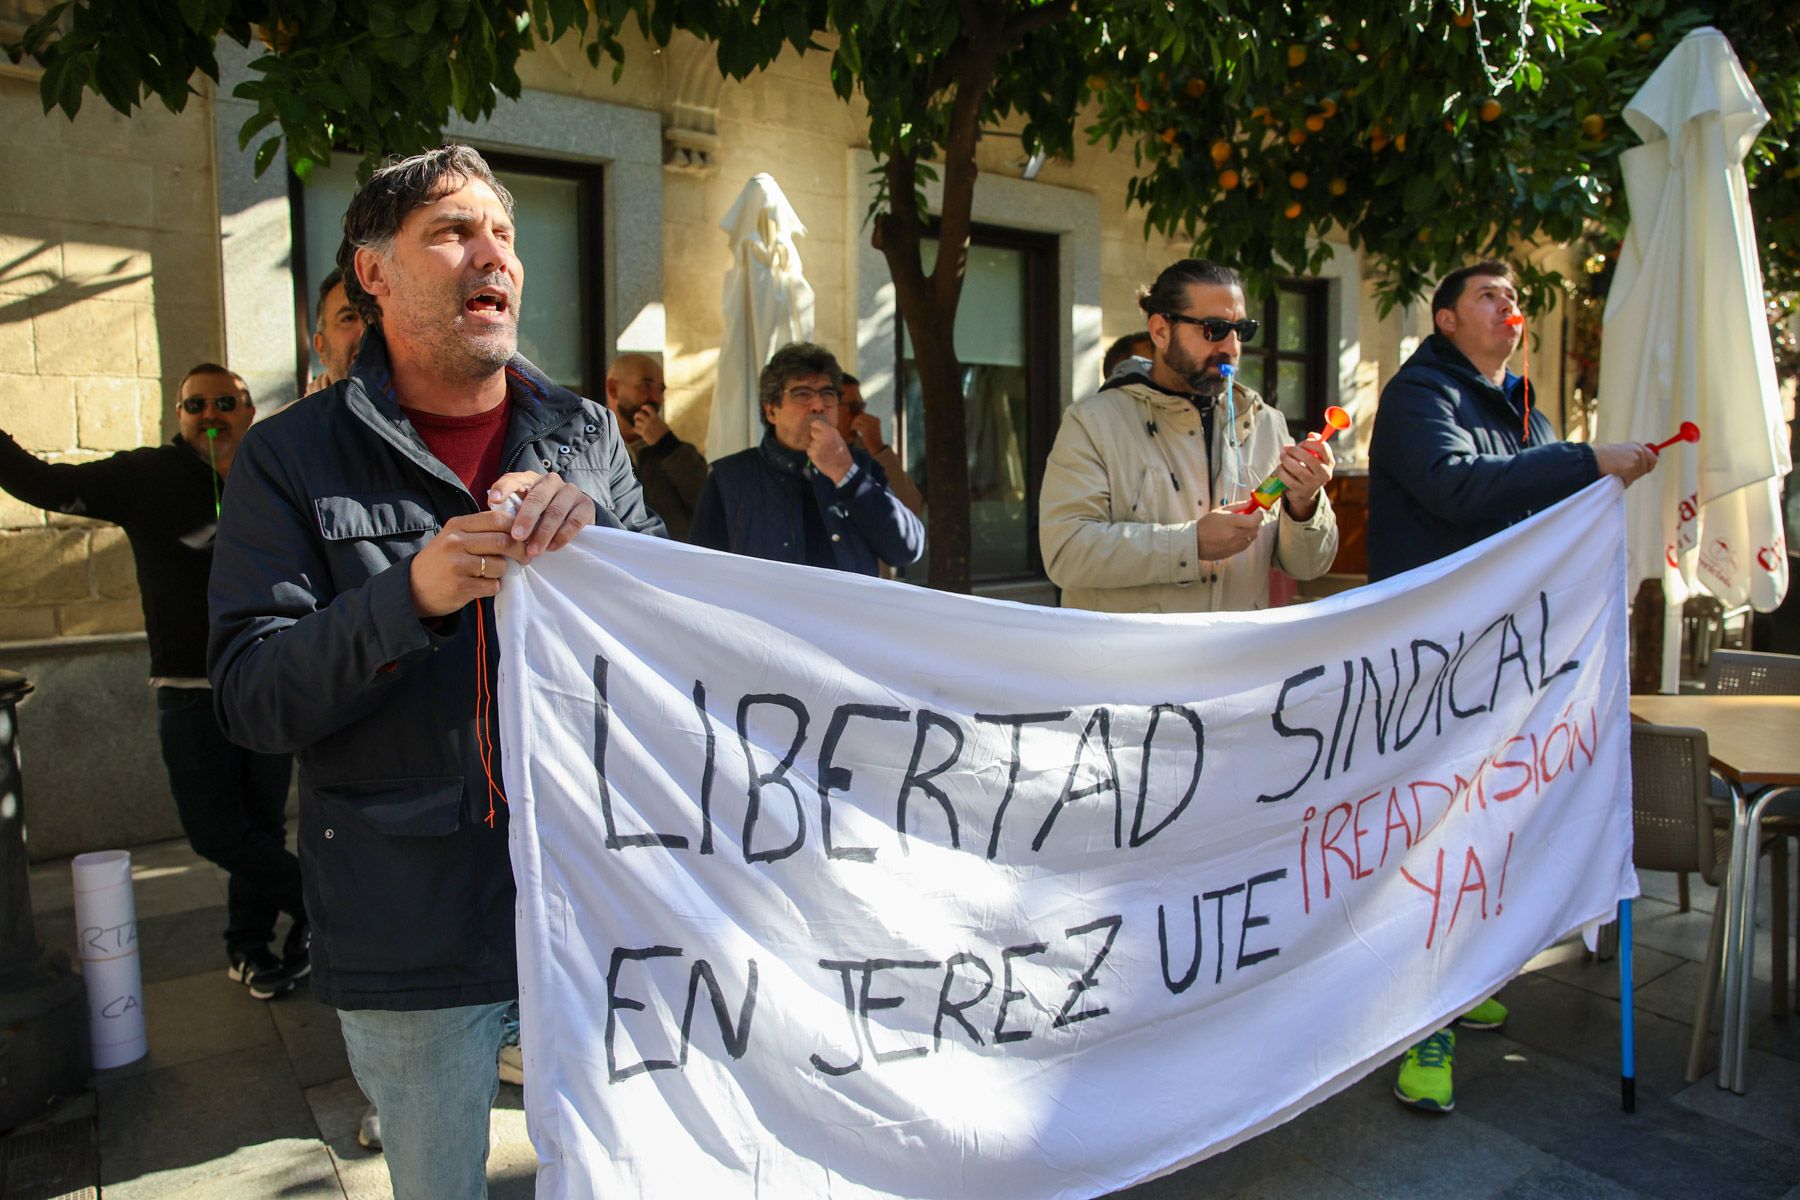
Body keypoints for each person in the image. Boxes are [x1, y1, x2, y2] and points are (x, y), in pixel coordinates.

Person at [208, 144, 664, 1199]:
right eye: (453, 232)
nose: (491, 253)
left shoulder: (586, 434)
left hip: (596, 900)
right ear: (373, 273)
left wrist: (604, 548)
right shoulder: (288, 457)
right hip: (407, 923)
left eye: (503, 233)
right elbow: (250, 694)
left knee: (627, 1171)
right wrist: (406, 596)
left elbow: (665, 635)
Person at [1367, 259, 1657, 1112]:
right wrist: (1584, 461)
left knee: (1487, 828)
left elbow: (1546, 505)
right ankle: (1422, 1026)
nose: (1511, 308)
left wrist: (1590, 478)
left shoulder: (1524, 402)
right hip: (1434, 661)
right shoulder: (1422, 395)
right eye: (1489, 297)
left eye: (1517, 298)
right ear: (1447, 319)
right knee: (1432, 844)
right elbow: (1457, 490)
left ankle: (1463, 979)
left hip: (1504, 661)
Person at [0, 365, 304, 1000]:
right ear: (178, 415)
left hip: (266, 681)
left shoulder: (272, 474)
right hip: (188, 690)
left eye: (226, 401)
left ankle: (251, 951)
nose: (211, 414)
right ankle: (324, 904)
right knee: (216, 833)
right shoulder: (146, 476)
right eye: (196, 404)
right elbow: (46, 484)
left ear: (248, 410)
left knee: (262, 826)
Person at [1040, 259, 1338, 614]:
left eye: (1241, 330)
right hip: (1135, 664)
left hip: (1235, 658)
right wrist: (1190, 545)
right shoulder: (1093, 422)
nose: (1231, 347)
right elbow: (1065, 553)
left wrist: (1304, 504)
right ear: (1160, 331)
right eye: (1213, 329)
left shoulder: (1266, 423)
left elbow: (1308, 567)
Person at [690, 342, 924, 575]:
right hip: (762, 612)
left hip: (845, 611)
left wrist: (846, 474)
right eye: (802, 394)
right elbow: (699, 572)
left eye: (828, 393)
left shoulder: (859, 466)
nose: (818, 405)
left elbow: (907, 550)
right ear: (771, 411)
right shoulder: (729, 477)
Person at [605, 353, 708, 540]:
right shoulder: (591, 446)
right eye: (645, 385)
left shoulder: (671, 451)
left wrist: (667, 445)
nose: (655, 398)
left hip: (669, 562)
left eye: (660, 390)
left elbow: (708, 502)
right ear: (613, 389)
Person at [837, 373, 924, 516]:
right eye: (853, 407)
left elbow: (910, 508)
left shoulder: (867, 451)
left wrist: (878, 449)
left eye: (861, 406)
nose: (860, 414)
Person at [307, 267, 367, 394]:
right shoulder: (298, 414)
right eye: (348, 318)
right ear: (321, 346)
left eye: (375, 316)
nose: (365, 330)